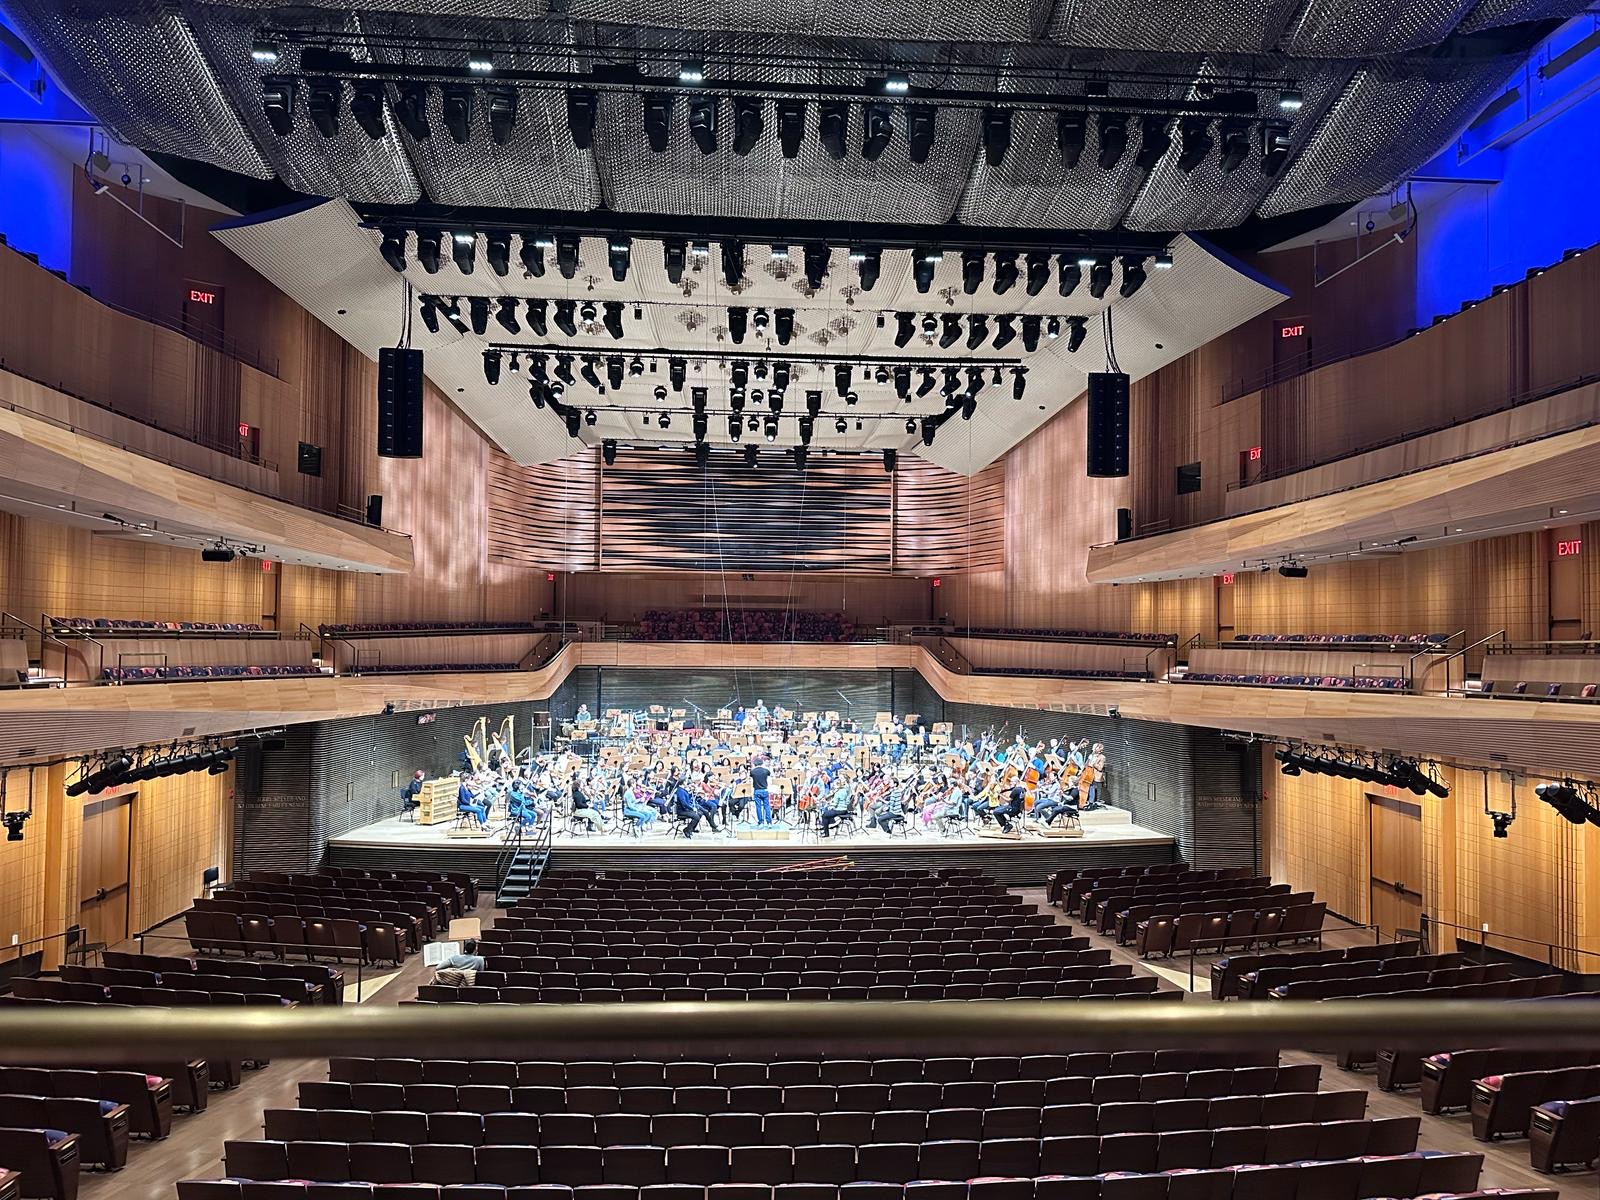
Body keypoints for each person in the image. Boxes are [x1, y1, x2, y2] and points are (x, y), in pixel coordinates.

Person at [750, 756, 773, 827]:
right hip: (765, 790)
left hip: (757, 791)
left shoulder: (752, 771)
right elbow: (770, 775)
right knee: (767, 807)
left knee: (758, 807)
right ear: (762, 763)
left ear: (754, 764)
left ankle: (761, 822)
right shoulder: (766, 770)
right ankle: (769, 822)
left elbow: (751, 778)